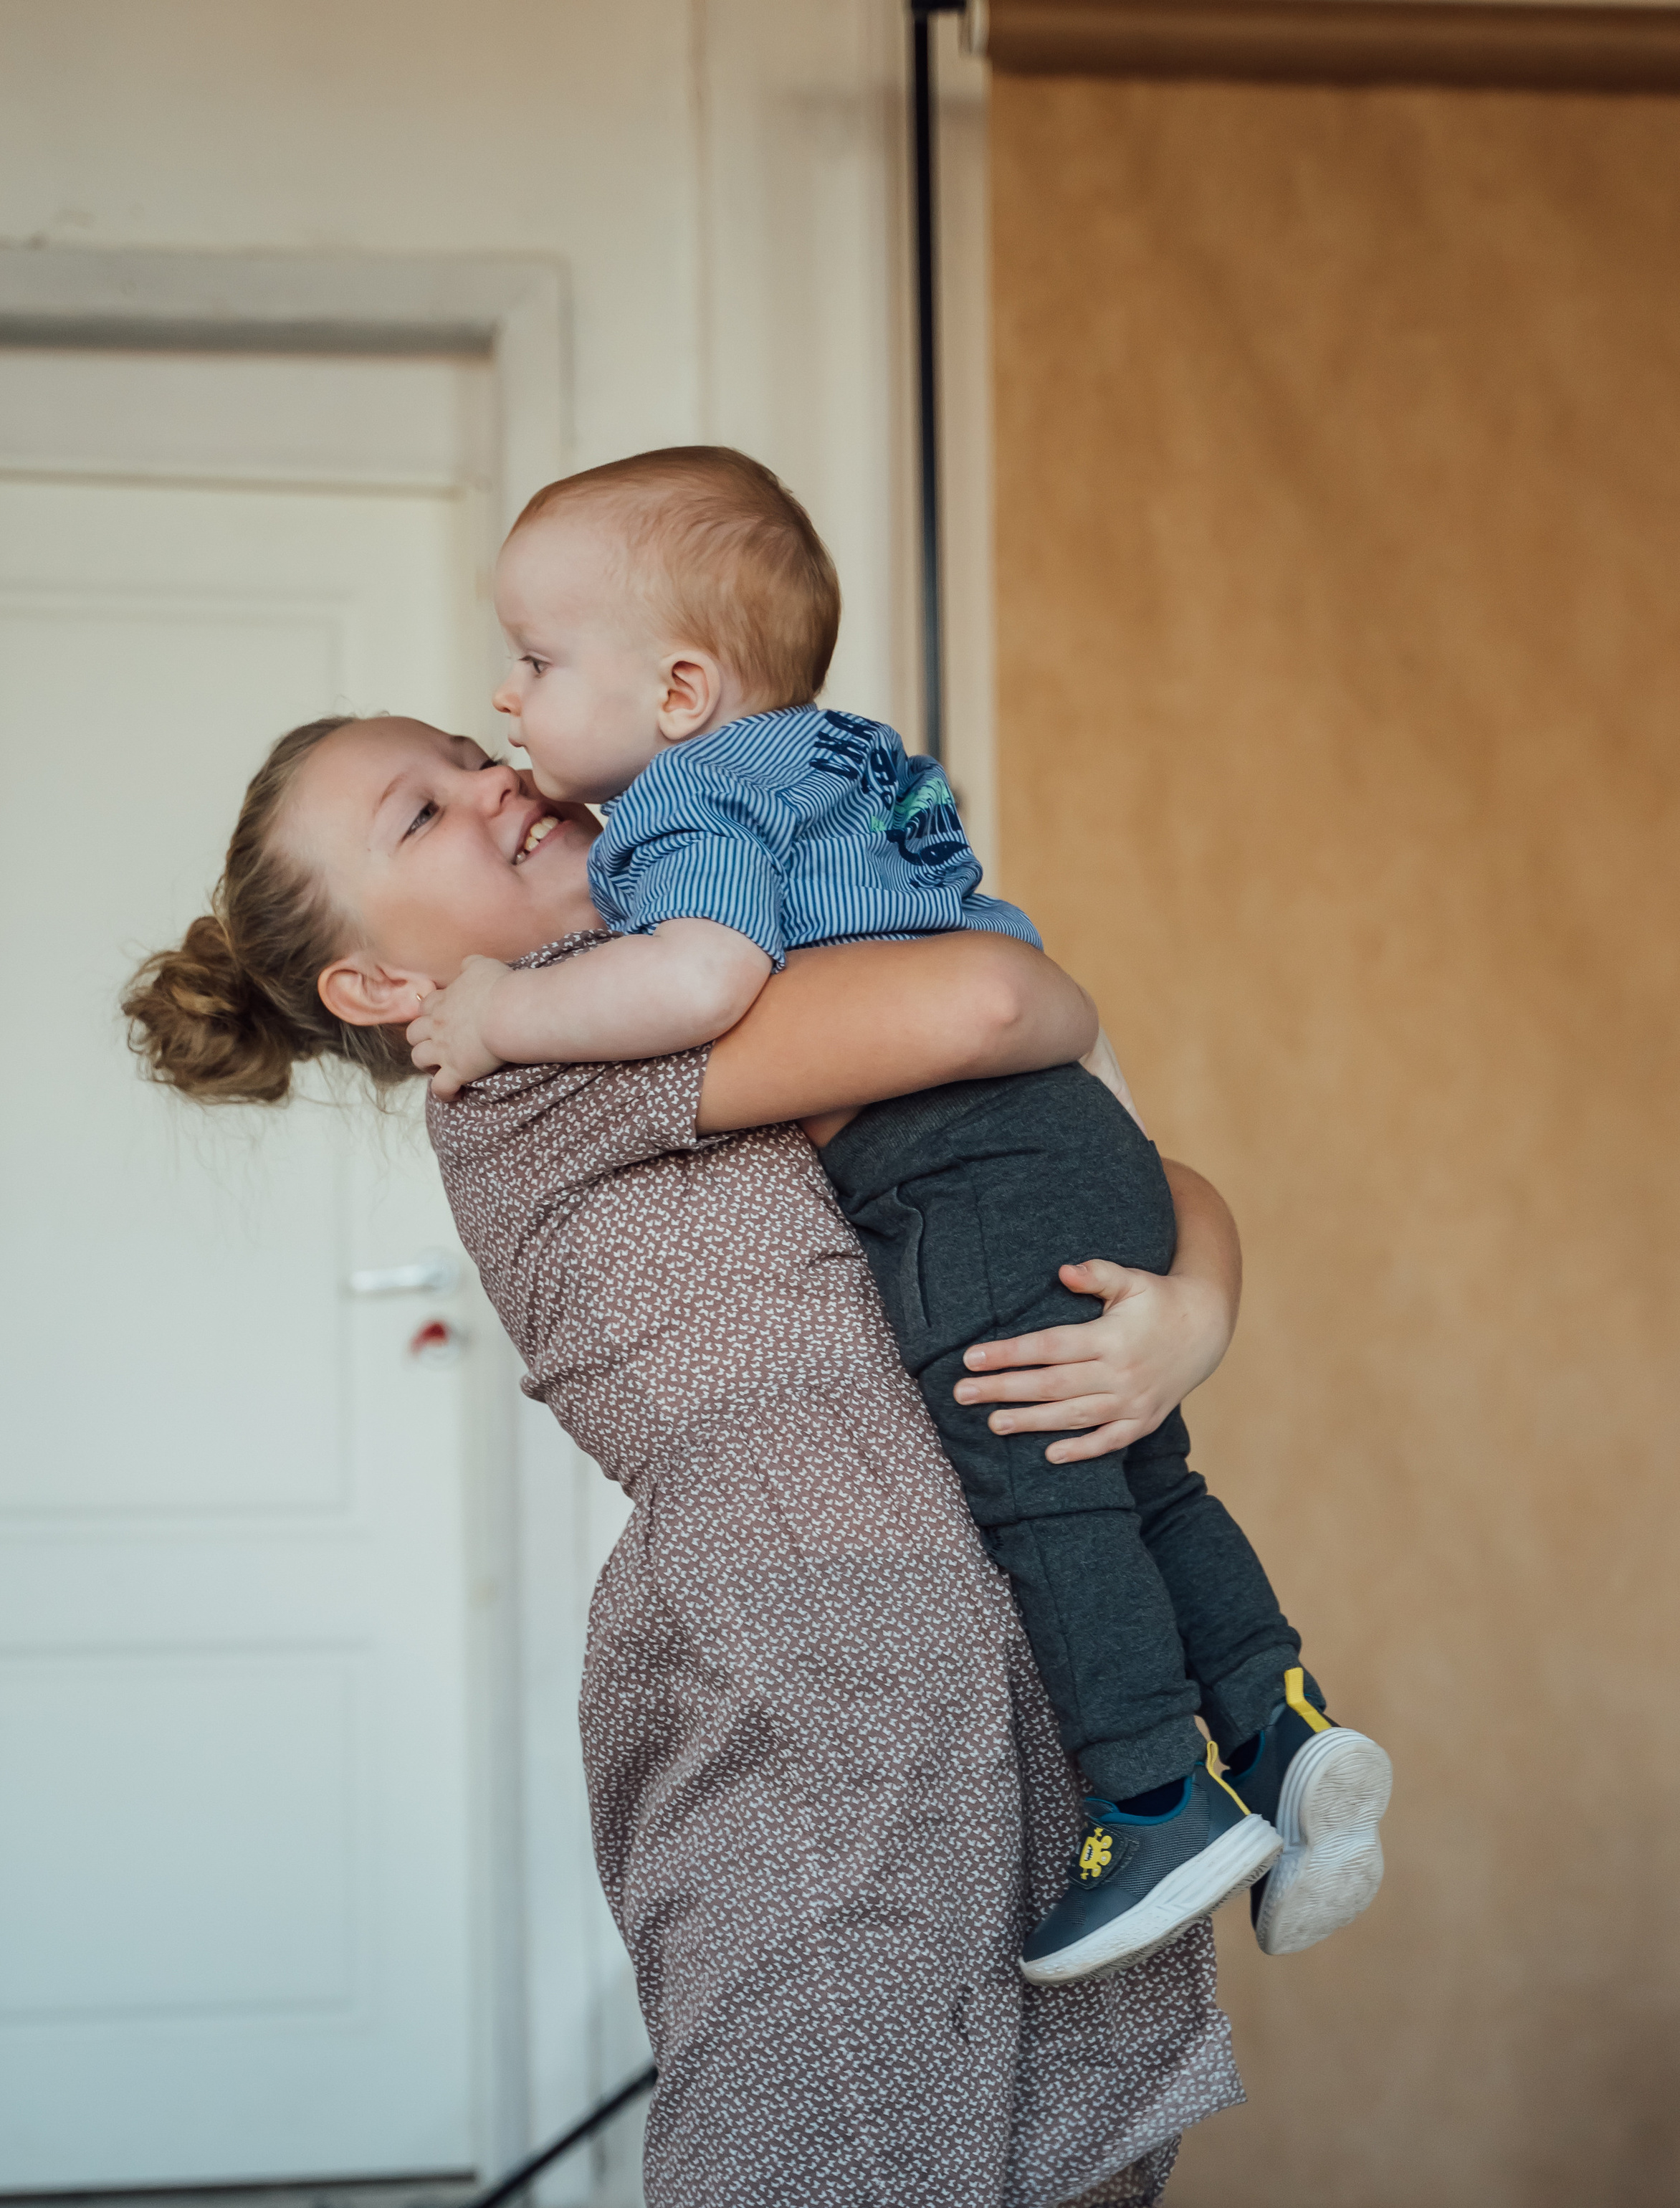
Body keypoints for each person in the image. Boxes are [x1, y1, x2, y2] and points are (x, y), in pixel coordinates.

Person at [123, 714, 1253, 2208]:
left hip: (989, 1718)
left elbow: (1099, 1148)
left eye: (476, 750)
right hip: (817, 1741)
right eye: (427, 814)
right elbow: (1009, 995)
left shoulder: (697, 964)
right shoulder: (537, 1067)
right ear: (392, 992)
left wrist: (1203, 1303)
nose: (498, 786)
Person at [406, 445, 1391, 1986]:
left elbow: (702, 981)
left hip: (958, 1159)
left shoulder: (685, 805)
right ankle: (1279, 1728)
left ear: (676, 691)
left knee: (1041, 1483)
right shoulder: (854, 757)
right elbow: (1026, 973)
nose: (508, 703)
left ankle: (1146, 1798)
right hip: (1066, 1127)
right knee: (1142, 1474)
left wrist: (498, 1021)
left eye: (533, 661)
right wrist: (1123, 1153)